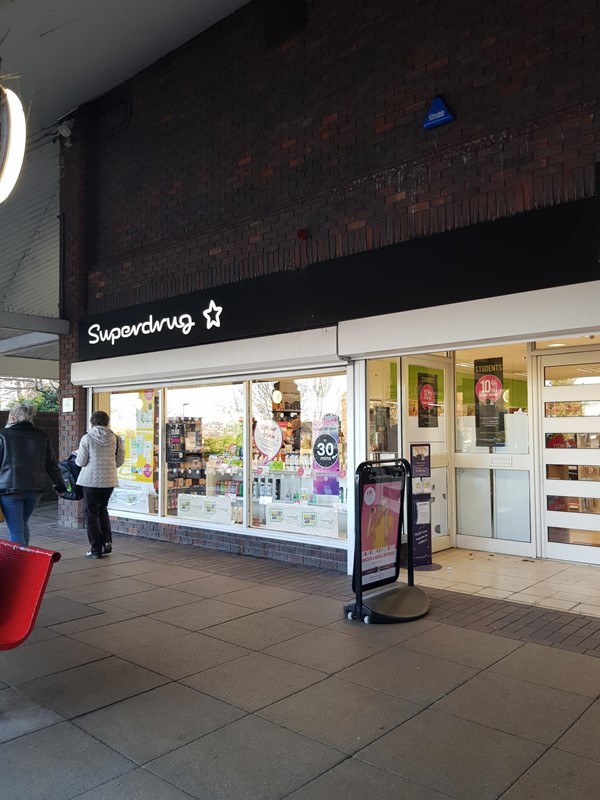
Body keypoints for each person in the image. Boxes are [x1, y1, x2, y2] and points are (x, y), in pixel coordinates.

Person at [0, 403, 67, 546]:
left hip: (9, 490)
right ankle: (26, 560)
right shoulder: (42, 436)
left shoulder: (3, 436)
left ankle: (20, 565)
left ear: (12, 417)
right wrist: (60, 485)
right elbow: (51, 464)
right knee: (23, 524)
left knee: (16, 530)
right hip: (35, 489)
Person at [76, 410, 125, 559]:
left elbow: (80, 461)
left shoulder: (87, 438)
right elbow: (120, 461)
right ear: (107, 422)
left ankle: (95, 549)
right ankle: (107, 542)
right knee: (103, 510)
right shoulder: (116, 439)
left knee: (91, 514)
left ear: (92, 422)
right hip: (108, 481)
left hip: (90, 481)